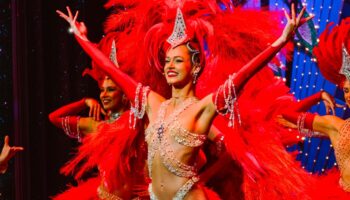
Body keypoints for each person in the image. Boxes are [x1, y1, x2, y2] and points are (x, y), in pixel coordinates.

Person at [57, 2, 312, 199]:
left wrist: (280, 42)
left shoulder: (202, 109)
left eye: (178, 60)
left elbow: (240, 78)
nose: (170, 66)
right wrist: (82, 39)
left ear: (196, 66)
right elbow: (114, 72)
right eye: (167, 61)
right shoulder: (153, 101)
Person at [49, 32, 149, 199]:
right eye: (102, 90)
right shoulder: (95, 125)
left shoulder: (137, 121)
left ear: (124, 94)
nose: (104, 95)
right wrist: (84, 101)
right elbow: (54, 118)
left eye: (110, 90)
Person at [278, 17, 350, 196]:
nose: (348, 95)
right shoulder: (336, 127)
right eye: (346, 90)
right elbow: (285, 115)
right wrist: (317, 96)